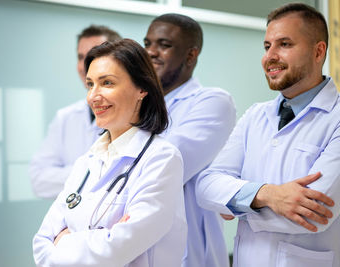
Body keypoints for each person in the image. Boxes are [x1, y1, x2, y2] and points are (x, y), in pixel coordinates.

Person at [196, 3, 340, 266]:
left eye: (284, 44)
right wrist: (269, 195)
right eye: (266, 46)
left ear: (318, 51)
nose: (269, 56)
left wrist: (235, 202)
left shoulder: (336, 117)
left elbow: (315, 214)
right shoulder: (256, 115)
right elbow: (205, 187)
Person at [33, 39, 187, 267]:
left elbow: (117, 249)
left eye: (107, 83)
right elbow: (41, 243)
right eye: (90, 84)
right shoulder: (87, 161)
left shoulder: (162, 158)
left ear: (142, 89)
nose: (93, 96)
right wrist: (101, 238)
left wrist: (65, 241)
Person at [144, 14, 236, 267]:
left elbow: (163, 167)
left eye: (164, 45)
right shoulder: (140, 105)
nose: (151, 52)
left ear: (191, 55)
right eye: (147, 43)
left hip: (191, 253)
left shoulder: (212, 101)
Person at [30, 25, 121, 198]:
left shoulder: (133, 116)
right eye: (81, 57)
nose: (85, 65)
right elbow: (39, 181)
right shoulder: (66, 117)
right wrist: (94, 169)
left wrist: (69, 175)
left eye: (94, 56)